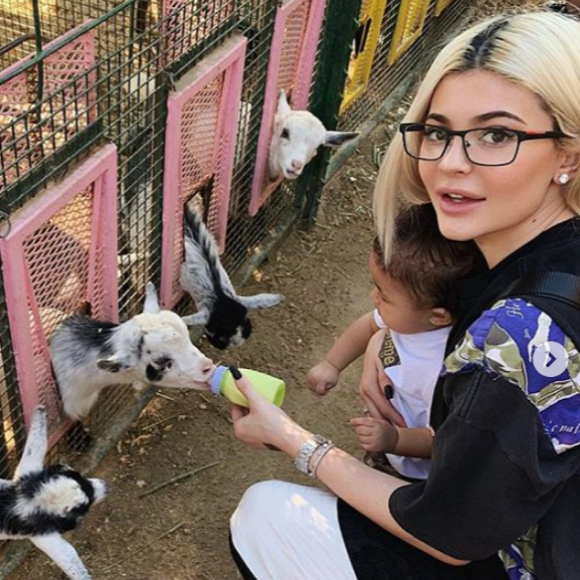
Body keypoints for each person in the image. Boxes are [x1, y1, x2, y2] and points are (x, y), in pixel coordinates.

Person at [229, 9, 580, 580]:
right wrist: (382, 340)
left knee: (266, 514)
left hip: (523, 556)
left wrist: (292, 438)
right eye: (438, 132)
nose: (450, 162)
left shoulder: (519, 335)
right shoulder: (526, 253)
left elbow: (448, 535)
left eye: (497, 134)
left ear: (569, 153)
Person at [307, 204, 482, 480]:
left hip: (415, 469)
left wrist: (394, 440)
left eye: (384, 295)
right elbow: (367, 325)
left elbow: (443, 440)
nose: (373, 296)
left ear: (437, 317)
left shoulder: (442, 370)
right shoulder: (411, 318)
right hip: (390, 427)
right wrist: (331, 364)